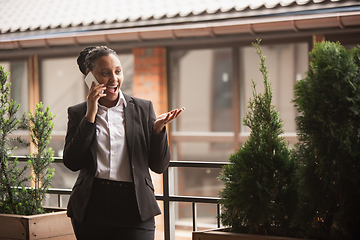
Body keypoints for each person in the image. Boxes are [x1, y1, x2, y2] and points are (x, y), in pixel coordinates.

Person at [63, 46, 184, 240]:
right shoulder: (78, 113)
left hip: (135, 206)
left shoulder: (143, 108)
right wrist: (90, 116)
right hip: (91, 208)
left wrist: (157, 131)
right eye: (105, 73)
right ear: (90, 76)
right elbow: (72, 162)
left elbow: (159, 166)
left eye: (118, 71)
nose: (113, 79)